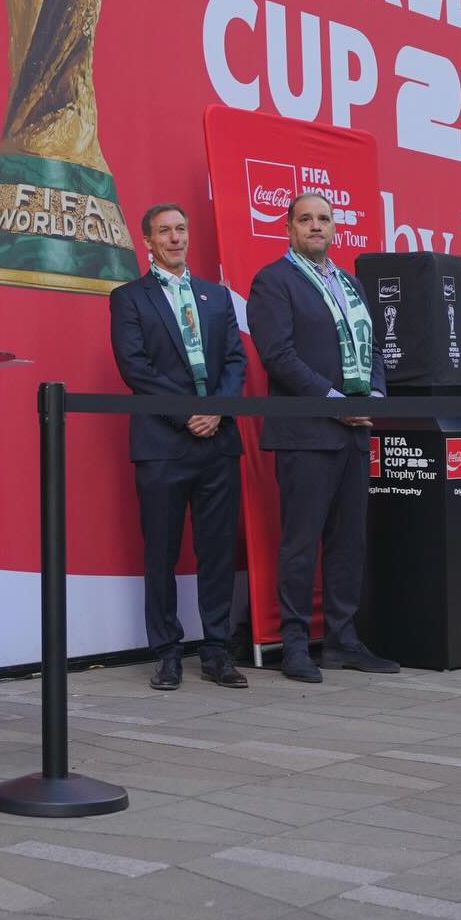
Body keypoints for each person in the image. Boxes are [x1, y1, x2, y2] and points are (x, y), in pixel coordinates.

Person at [246, 192, 396, 683]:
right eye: (306, 219)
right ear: (289, 228)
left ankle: (342, 641)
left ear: (335, 228)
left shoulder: (350, 283)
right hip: (307, 433)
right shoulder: (273, 280)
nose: (316, 226)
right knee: (300, 543)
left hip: (356, 433)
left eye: (324, 219)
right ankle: (294, 645)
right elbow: (278, 355)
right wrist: (334, 401)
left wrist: (375, 397)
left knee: (349, 542)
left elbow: (373, 347)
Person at [109, 203, 248, 692]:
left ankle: (216, 651)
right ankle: (166, 653)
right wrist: (186, 413)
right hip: (163, 443)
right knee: (161, 552)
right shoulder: (129, 298)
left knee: (217, 552)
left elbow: (236, 360)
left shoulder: (216, 295)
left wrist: (217, 411)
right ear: (147, 241)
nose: (175, 238)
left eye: (181, 229)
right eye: (164, 231)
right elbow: (135, 366)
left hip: (218, 441)